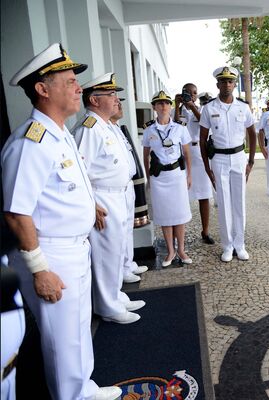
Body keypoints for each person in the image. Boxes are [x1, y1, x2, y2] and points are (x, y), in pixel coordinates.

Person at [1, 42, 121, 400]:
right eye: (69, 81)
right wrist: (40, 270)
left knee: (78, 330)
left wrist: (91, 207)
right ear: (42, 89)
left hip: (74, 248)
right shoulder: (30, 142)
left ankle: (83, 388)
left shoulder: (60, 133)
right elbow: (16, 211)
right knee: (61, 339)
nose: (78, 88)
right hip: (51, 254)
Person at [73, 73, 144, 325]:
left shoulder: (105, 126)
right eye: (111, 94)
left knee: (116, 249)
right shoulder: (89, 129)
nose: (116, 99)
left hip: (118, 194)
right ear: (94, 99)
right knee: (105, 253)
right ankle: (107, 306)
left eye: (115, 94)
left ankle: (115, 296)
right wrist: (91, 204)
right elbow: (78, 172)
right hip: (103, 198)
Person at [199, 66, 257, 262]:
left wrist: (250, 161)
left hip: (239, 157)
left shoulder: (243, 107)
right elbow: (202, 138)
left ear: (234, 84)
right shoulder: (209, 108)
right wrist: (207, 167)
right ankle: (227, 246)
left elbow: (251, 133)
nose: (227, 85)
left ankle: (240, 245)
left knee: (239, 202)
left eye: (230, 81)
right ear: (218, 84)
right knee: (223, 204)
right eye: (223, 81)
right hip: (220, 159)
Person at [142, 91, 193, 267]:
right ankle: (170, 250)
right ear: (154, 107)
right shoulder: (149, 129)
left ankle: (181, 250)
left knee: (179, 214)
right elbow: (146, 155)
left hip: (177, 175)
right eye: (159, 104)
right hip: (159, 178)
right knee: (164, 215)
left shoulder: (180, 128)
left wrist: (189, 174)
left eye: (166, 103)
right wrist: (148, 177)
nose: (163, 106)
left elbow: (187, 153)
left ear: (170, 107)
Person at [108, 98, 149, 284]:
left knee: (126, 230)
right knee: (115, 238)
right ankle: (118, 281)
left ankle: (128, 265)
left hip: (125, 187)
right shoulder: (91, 129)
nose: (119, 104)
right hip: (109, 192)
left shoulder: (114, 127)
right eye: (113, 99)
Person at [174, 83, 215, 245]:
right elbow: (174, 126)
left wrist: (193, 108)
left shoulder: (204, 110)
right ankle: (179, 233)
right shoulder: (177, 110)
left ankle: (205, 231)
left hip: (198, 153)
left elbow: (205, 124)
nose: (191, 96)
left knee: (204, 195)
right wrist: (177, 106)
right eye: (188, 93)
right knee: (180, 194)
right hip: (182, 154)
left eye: (194, 93)